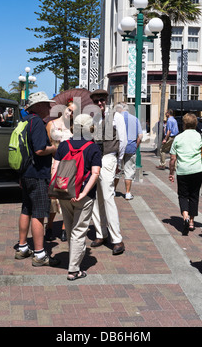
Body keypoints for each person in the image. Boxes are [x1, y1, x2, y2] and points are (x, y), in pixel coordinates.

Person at [52, 114, 102, 280]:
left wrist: (59, 190)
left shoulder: (64, 145)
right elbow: (95, 174)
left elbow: (56, 170)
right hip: (83, 196)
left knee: (70, 227)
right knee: (79, 231)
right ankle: (74, 270)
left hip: (64, 193)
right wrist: (83, 193)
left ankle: (73, 262)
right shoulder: (93, 148)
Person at [15, 91, 60, 267]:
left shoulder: (24, 121)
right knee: (39, 213)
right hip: (38, 173)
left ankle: (22, 247)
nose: (49, 107)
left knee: (26, 209)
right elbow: (40, 150)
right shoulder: (38, 123)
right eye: (47, 104)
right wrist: (54, 148)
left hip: (25, 173)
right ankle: (40, 254)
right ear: (38, 106)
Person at [89, 89, 127, 255]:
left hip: (109, 158)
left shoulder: (116, 116)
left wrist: (119, 162)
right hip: (96, 159)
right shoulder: (95, 118)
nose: (100, 103)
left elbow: (123, 141)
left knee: (107, 196)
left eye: (102, 100)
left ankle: (117, 238)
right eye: (97, 101)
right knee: (95, 198)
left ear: (107, 99)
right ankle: (100, 233)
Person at [169, 113, 202, 235]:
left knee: (183, 195)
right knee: (194, 195)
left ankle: (185, 217)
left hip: (182, 170)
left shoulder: (178, 138)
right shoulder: (200, 136)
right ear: (195, 124)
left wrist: (171, 172)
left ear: (184, 124)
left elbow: (172, 158)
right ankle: (192, 221)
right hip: (197, 170)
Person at [45, 98, 78, 242]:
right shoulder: (51, 124)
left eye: (74, 112)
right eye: (69, 110)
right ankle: (49, 226)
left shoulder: (74, 128)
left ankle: (65, 227)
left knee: (67, 195)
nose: (70, 114)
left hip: (70, 164)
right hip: (55, 162)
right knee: (53, 196)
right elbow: (48, 144)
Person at [114, 103, 143, 200]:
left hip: (118, 148)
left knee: (116, 170)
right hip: (131, 147)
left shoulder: (116, 118)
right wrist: (136, 146)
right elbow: (140, 136)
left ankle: (113, 190)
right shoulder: (135, 119)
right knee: (129, 171)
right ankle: (127, 193)